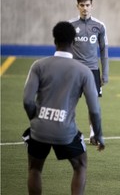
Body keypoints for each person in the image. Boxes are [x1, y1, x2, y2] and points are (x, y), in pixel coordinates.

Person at [22, 21, 105, 195]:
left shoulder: (38, 65)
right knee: (80, 165)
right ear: (74, 41)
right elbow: (94, 110)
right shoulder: (84, 71)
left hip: (39, 130)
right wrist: (98, 134)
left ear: (54, 40)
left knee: (35, 168)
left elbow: (27, 101)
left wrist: (37, 120)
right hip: (66, 131)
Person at [69, 0, 109, 144]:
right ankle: (70, 132)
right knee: (70, 103)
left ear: (92, 5)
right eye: (82, 5)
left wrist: (104, 74)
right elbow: (64, 48)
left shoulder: (99, 26)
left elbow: (104, 50)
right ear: (77, 6)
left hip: (92, 71)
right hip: (74, 70)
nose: (85, 8)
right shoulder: (70, 25)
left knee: (93, 104)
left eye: (87, 5)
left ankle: (94, 135)